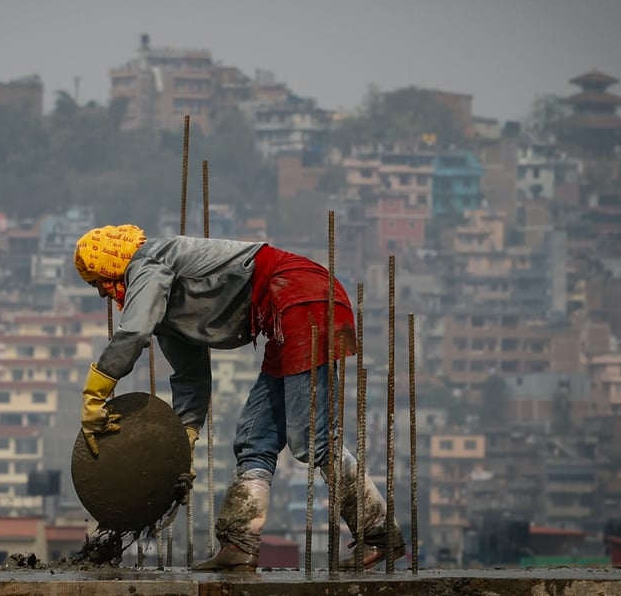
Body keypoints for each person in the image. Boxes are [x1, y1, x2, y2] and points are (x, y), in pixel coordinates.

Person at [73, 224, 405, 572]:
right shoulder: (165, 306)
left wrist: (95, 394)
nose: (102, 294)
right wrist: (183, 441)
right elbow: (191, 377)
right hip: (285, 310)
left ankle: (379, 533)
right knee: (254, 438)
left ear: (111, 263)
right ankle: (240, 544)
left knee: (312, 439)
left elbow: (134, 331)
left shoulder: (150, 263)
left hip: (298, 296)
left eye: (98, 282)